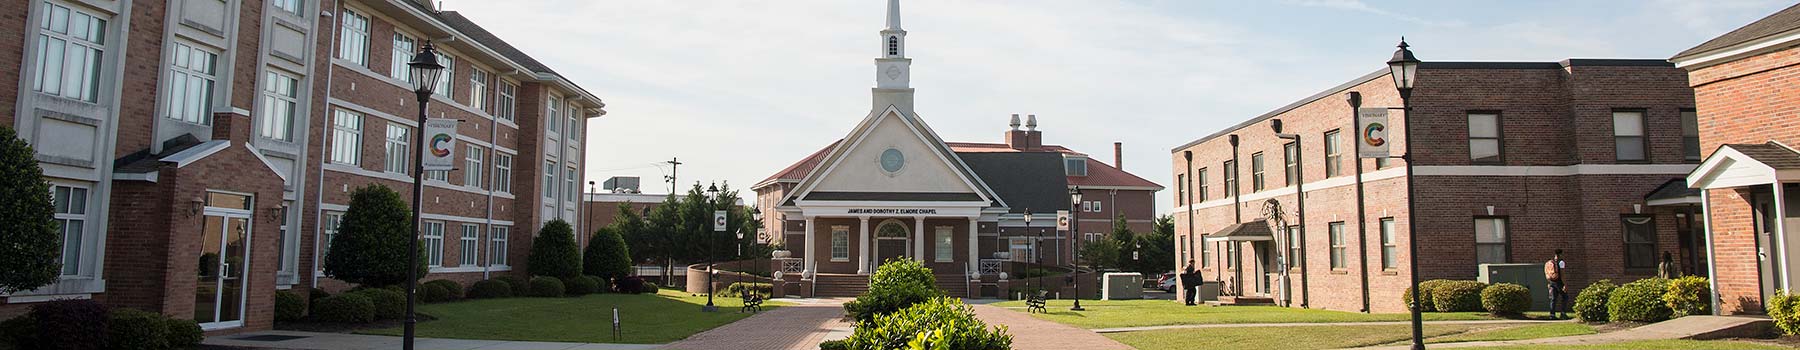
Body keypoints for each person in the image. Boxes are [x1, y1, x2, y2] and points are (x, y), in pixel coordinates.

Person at [1545, 249, 1569, 319]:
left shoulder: (1550, 262)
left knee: (1553, 298)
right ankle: (1563, 313)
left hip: (1552, 281)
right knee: (1565, 297)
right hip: (1559, 282)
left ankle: (1552, 315)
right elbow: (1562, 274)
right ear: (1561, 254)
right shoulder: (1561, 262)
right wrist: (1565, 284)